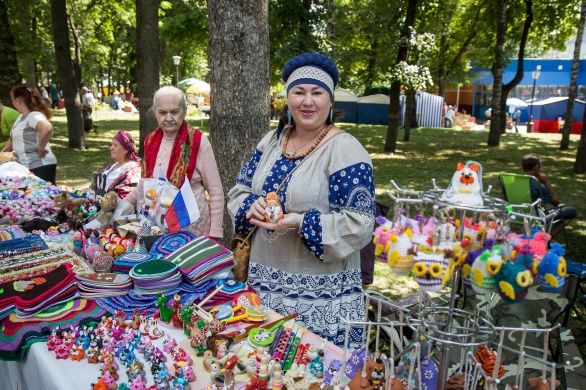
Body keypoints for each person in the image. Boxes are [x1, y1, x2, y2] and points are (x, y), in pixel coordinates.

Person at [227, 53, 375, 348]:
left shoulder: (345, 150)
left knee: (310, 369)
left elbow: (360, 223)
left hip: (317, 296)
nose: (308, 101)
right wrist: (250, 204)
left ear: (331, 102)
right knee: (262, 365)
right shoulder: (270, 141)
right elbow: (238, 191)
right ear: (288, 99)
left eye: (317, 93)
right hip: (264, 284)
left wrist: (301, 222)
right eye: (299, 92)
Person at [126, 86, 224, 238]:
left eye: (174, 111)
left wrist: (215, 233)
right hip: (155, 228)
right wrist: (124, 204)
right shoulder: (150, 141)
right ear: (155, 113)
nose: (169, 118)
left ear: (184, 111)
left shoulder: (198, 142)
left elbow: (216, 191)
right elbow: (146, 183)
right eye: (163, 112)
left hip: (193, 232)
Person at [1, 85, 57, 183]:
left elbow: (47, 127)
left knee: (45, 197)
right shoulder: (21, 117)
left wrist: (41, 145)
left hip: (40, 165)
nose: (12, 102)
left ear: (19, 99)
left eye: (12, 99)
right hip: (28, 167)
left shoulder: (33, 116)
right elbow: (11, 142)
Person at [522, 153, 576, 237]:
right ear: (536, 167)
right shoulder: (537, 185)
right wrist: (547, 183)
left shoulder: (516, 182)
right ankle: (547, 239)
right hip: (537, 216)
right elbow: (556, 202)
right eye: (540, 166)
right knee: (571, 211)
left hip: (519, 212)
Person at [90, 130, 142, 199]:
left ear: (126, 149)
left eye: (115, 145)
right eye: (111, 145)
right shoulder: (114, 165)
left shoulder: (132, 171)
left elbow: (125, 198)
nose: (110, 148)